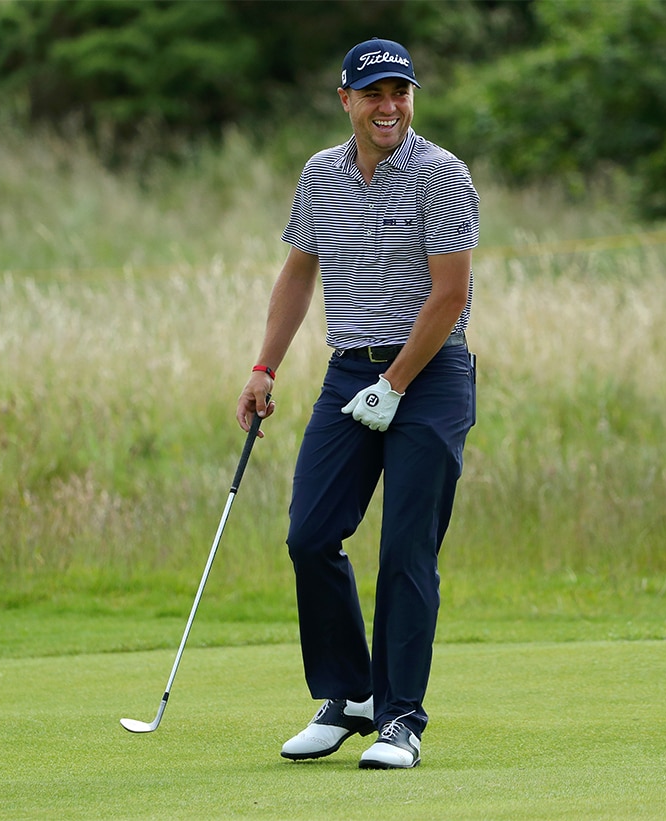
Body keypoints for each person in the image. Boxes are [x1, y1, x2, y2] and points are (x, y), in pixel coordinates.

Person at [235, 38, 479, 770]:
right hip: (349, 374)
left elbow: (450, 295)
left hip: (430, 377)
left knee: (406, 548)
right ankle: (349, 696)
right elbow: (298, 272)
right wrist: (264, 366)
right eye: (374, 94)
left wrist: (396, 383)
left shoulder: (441, 173)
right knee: (310, 535)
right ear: (346, 100)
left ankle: (400, 718)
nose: (389, 106)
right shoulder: (320, 174)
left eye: (400, 92)